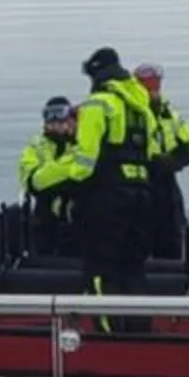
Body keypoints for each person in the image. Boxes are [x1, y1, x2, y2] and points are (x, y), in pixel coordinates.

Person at [39, 46, 159, 305]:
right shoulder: (142, 109)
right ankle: (140, 328)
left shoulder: (97, 105)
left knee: (101, 270)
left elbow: (84, 163)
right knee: (134, 269)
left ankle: (106, 333)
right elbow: (153, 154)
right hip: (143, 196)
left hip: (108, 199)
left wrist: (49, 181)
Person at [136, 63, 189, 259]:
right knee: (140, 236)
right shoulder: (132, 114)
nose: (154, 90)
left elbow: (188, 148)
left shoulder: (169, 114)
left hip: (166, 182)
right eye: (149, 86)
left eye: (156, 85)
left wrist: (172, 161)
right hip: (139, 182)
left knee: (171, 234)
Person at [17, 94, 80, 254]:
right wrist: (66, 173)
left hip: (77, 219)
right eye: (49, 117)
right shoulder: (36, 146)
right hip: (45, 219)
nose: (55, 123)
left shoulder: (81, 144)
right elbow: (33, 181)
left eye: (61, 117)